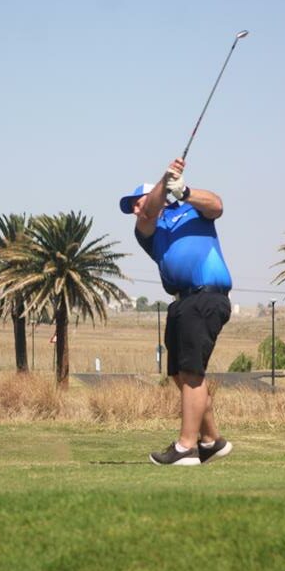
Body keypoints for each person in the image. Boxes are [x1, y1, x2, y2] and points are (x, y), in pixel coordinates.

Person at [119, 157, 233, 466]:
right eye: (132, 206)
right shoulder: (147, 230)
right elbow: (149, 212)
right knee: (179, 375)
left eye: (136, 202)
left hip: (207, 297)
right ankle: (212, 440)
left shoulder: (192, 211)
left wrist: (184, 191)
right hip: (181, 302)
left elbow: (217, 205)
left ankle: (186, 447)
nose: (135, 209)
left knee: (192, 373)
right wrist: (164, 179)